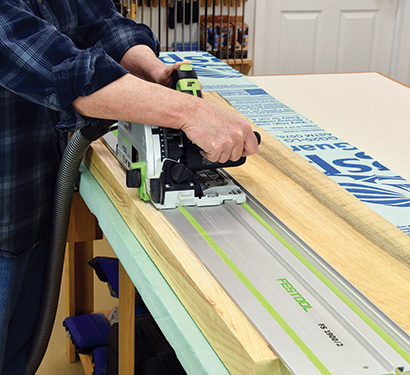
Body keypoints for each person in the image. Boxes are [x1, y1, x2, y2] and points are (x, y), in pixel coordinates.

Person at [0, 0, 258, 374]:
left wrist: (153, 71)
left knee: (17, 350)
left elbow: (101, 21)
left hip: (34, 195)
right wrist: (189, 112)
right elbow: (60, 69)